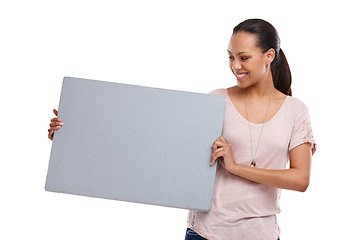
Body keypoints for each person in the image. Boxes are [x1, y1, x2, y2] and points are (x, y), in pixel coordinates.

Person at [48, 19, 316, 240]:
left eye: (244, 57)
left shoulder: (295, 111)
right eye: (230, 57)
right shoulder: (215, 100)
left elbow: (300, 179)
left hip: (261, 235)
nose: (235, 66)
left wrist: (236, 167)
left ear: (269, 56)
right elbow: (154, 141)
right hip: (205, 233)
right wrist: (73, 131)